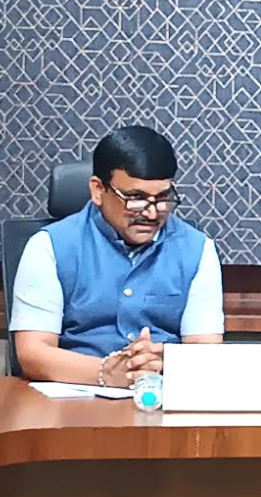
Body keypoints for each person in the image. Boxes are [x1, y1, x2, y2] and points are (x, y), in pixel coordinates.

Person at [9, 126, 224, 388]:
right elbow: (32, 354)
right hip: (74, 396)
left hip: (162, 394)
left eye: (163, 198)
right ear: (98, 190)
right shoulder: (48, 247)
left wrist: (164, 361)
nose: (151, 213)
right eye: (135, 198)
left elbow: (206, 350)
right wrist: (106, 373)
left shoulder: (198, 250)